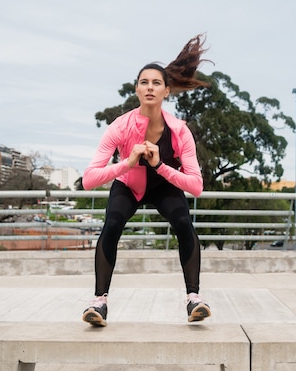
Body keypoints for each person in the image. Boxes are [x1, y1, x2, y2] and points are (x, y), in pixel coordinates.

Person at [81, 34, 211, 327]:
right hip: (128, 184)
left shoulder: (179, 131)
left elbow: (196, 186)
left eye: (156, 83)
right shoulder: (120, 126)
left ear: (167, 91)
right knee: (112, 224)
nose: (150, 87)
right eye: (144, 82)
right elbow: (88, 180)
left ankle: (194, 298)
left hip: (164, 186)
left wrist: (160, 165)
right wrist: (126, 163)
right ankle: (98, 302)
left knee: (183, 224)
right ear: (137, 89)